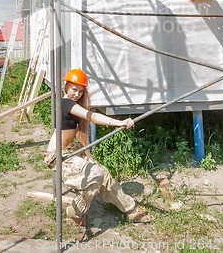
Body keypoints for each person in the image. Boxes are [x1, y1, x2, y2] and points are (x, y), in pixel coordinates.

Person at [44, 68, 150, 226]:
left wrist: (88, 155)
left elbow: (80, 135)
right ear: (65, 86)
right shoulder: (65, 103)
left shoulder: (73, 105)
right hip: (58, 156)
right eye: (74, 89)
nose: (77, 94)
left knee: (103, 174)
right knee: (95, 175)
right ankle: (75, 211)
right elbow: (92, 116)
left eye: (81, 91)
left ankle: (130, 209)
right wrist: (119, 122)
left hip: (72, 151)